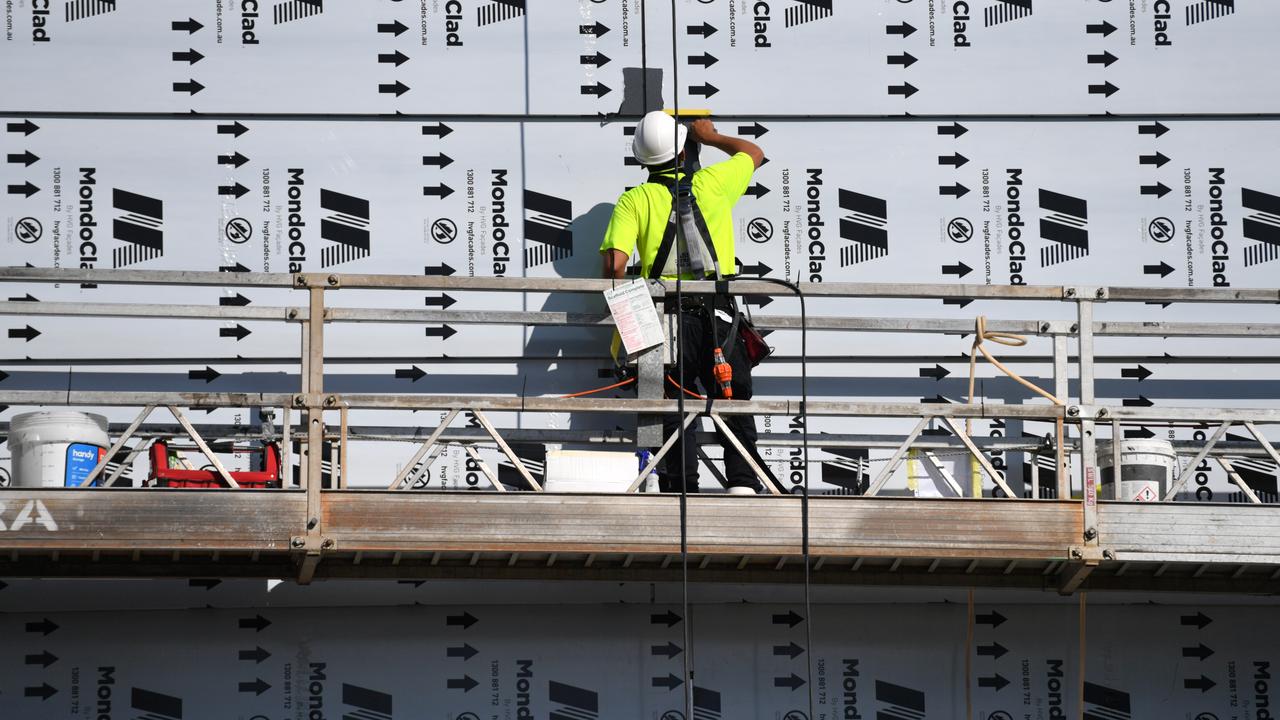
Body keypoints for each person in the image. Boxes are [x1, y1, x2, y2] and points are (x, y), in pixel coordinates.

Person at [599, 112, 766, 494]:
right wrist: (710, 135)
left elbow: (614, 266)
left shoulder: (634, 200)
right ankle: (741, 484)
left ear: (642, 159)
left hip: (664, 320)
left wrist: (630, 317)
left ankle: (680, 488)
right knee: (732, 398)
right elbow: (754, 153)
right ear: (683, 151)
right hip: (719, 318)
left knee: (672, 404)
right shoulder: (713, 183)